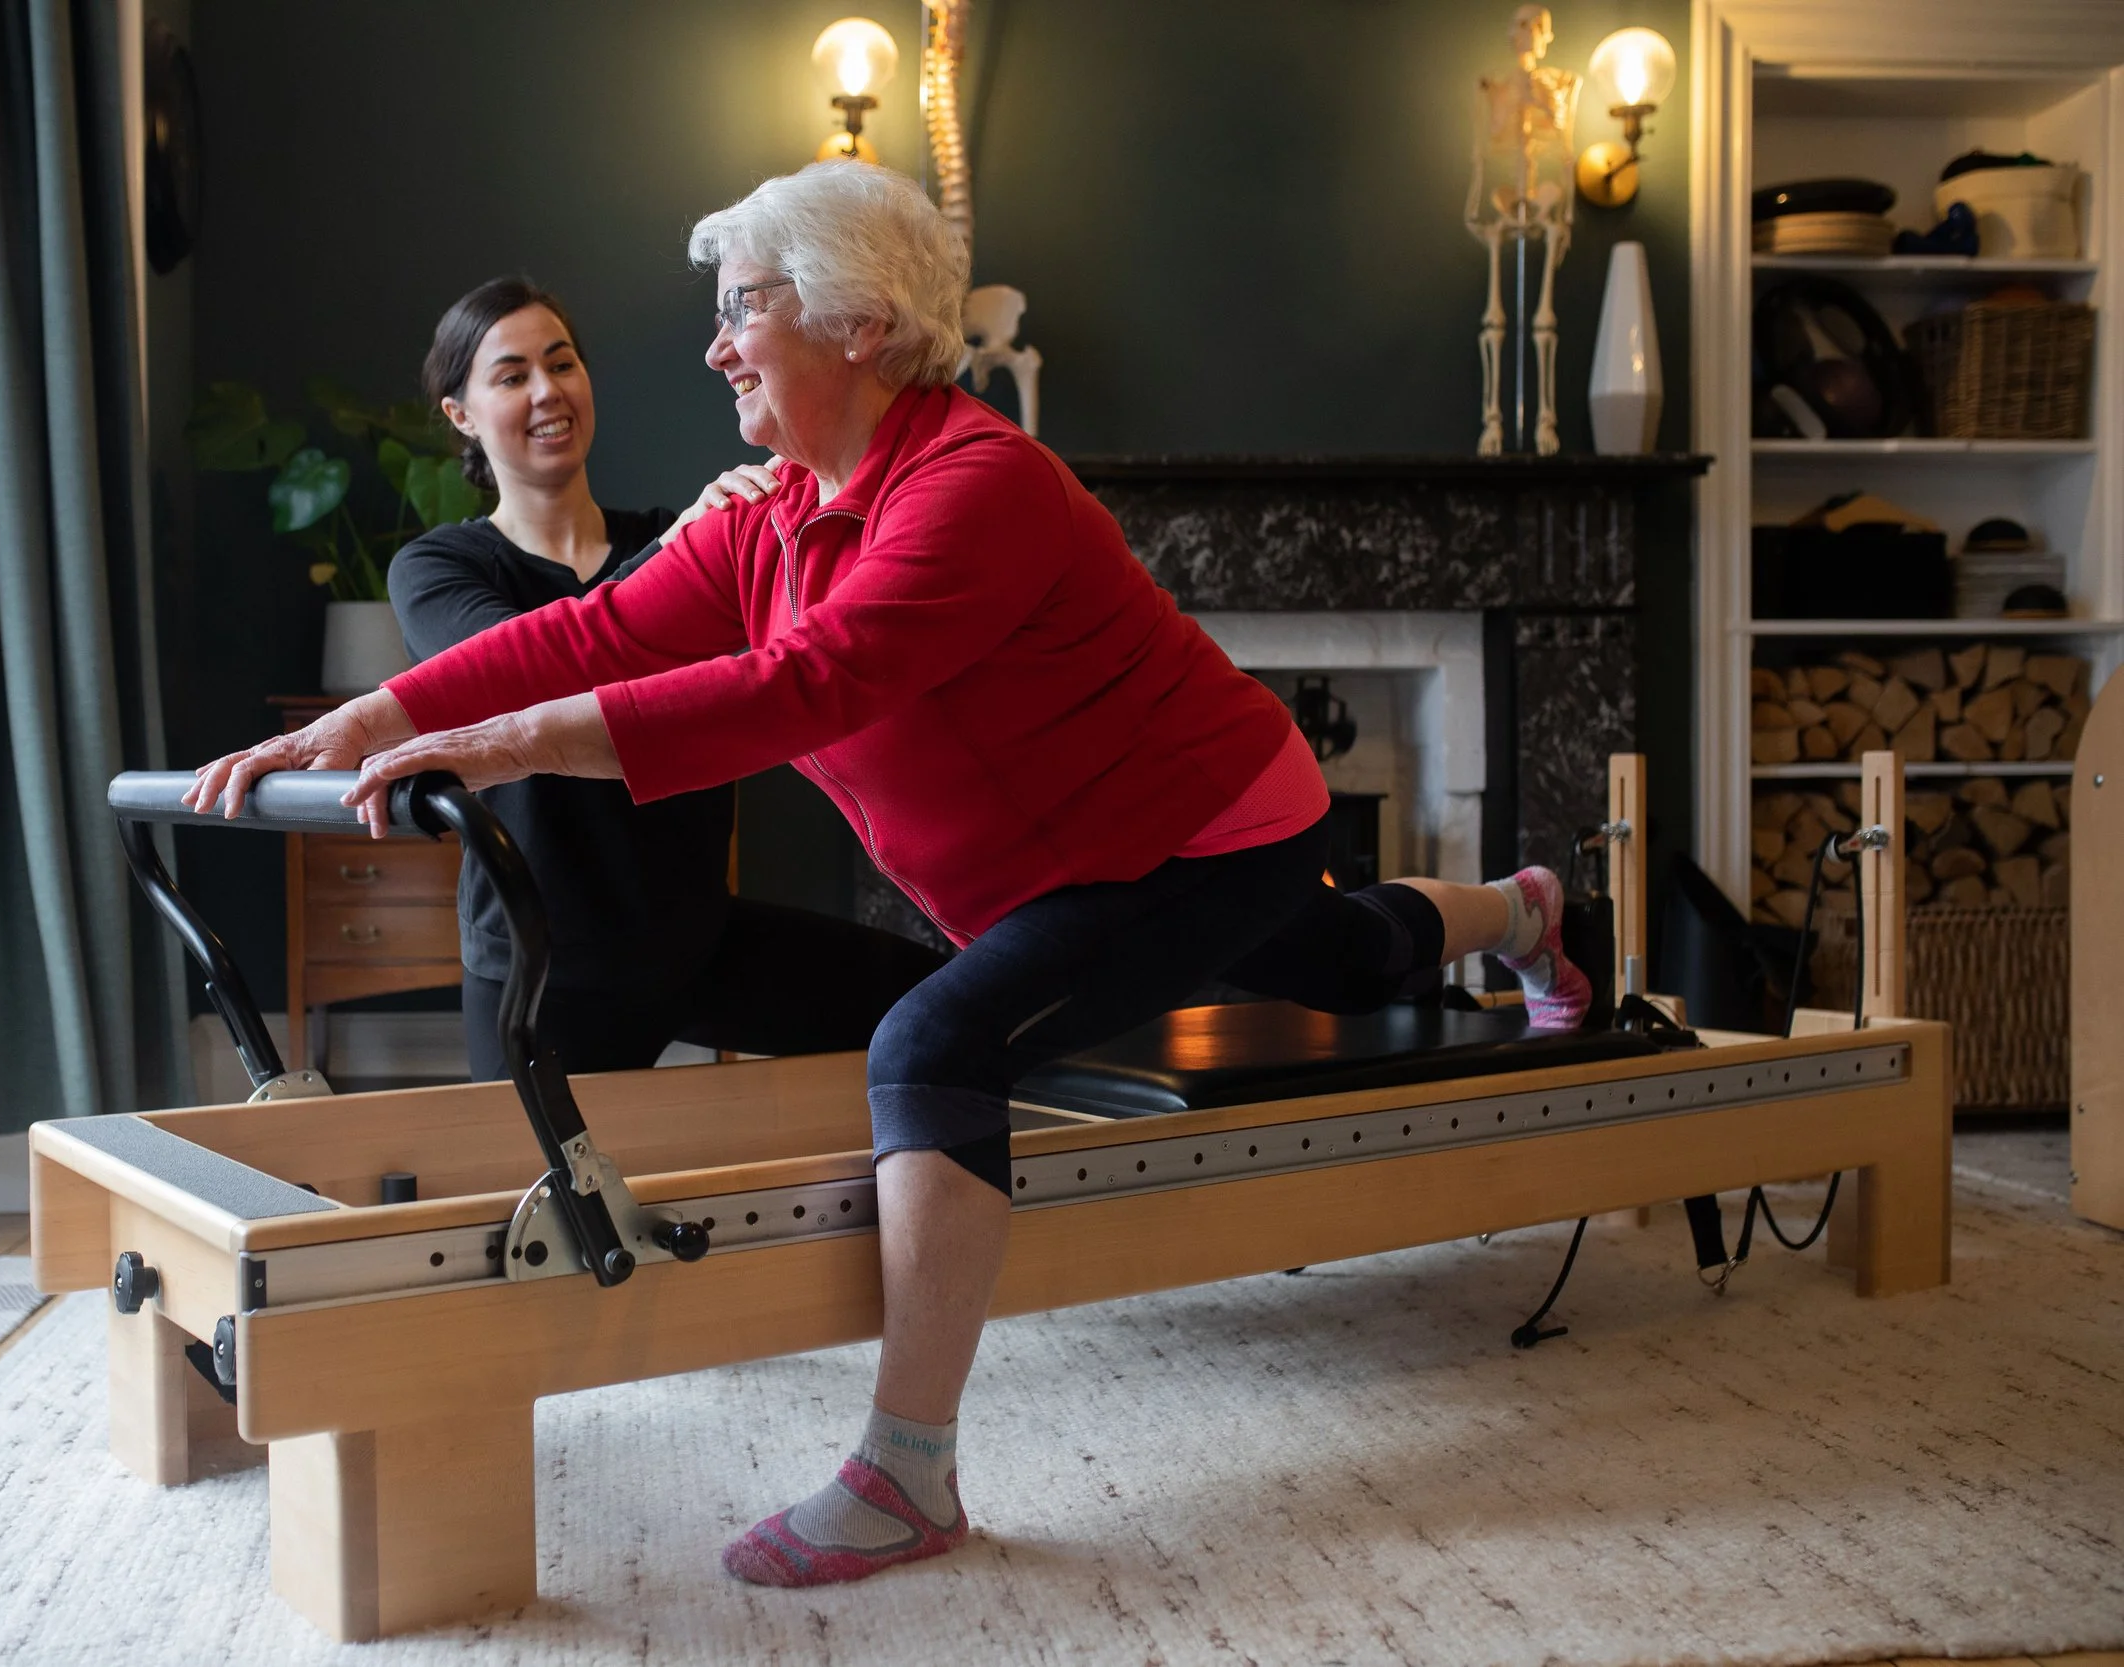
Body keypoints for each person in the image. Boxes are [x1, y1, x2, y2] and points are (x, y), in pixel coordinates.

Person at [187, 161, 1588, 1591]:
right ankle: (1522, 909)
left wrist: (494, 746)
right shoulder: (774, 507)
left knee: (935, 1037)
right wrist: (370, 717)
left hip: (1204, 822)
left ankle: (907, 1471)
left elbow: (811, 683)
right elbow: (595, 633)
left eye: (746, 307)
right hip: (1086, 856)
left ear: (857, 324)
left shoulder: (979, 485)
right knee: (1335, 961)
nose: (719, 342)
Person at [385, 275, 944, 1078]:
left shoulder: (681, 535)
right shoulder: (439, 564)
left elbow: (818, 641)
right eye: (512, 376)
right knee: (545, 1206)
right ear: (461, 414)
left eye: (562, 362)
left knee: (940, 1009)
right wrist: (683, 547)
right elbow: (523, 667)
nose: (548, 391)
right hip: (545, 970)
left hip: (697, 941)